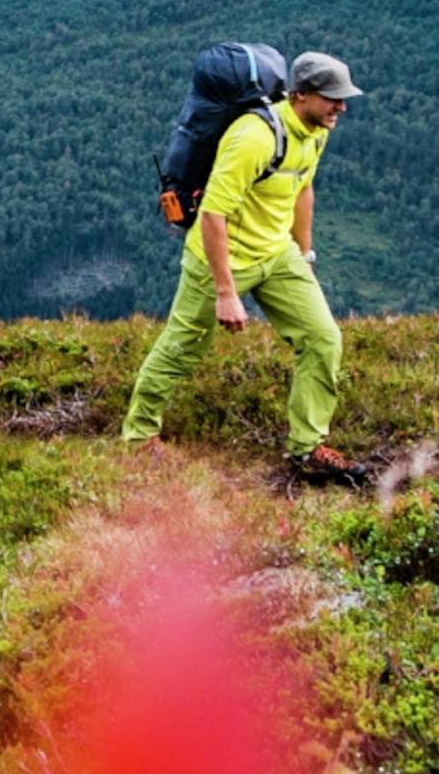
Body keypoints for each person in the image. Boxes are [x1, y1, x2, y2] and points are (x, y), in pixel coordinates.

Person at [121, 50, 371, 484]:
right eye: (333, 98)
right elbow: (214, 214)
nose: (342, 107)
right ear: (301, 95)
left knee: (323, 339)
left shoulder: (316, 130)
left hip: (276, 254)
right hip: (220, 259)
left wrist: (304, 255)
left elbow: (302, 187)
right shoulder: (253, 138)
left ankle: (307, 448)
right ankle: (138, 438)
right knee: (183, 349)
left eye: (344, 98)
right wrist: (225, 292)